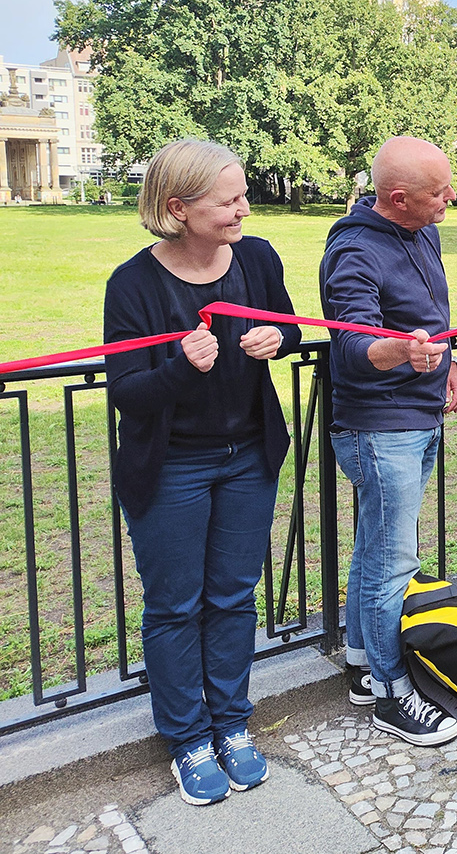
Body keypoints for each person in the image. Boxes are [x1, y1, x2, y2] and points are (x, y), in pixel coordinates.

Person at [104, 140, 301, 805]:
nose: (244, 208)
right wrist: (181, 368)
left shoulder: (258, 258)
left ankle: (232, 725)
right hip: (172, 469)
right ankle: (188, 738)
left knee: (234, 597)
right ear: (178, 208)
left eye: (243, 195)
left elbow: (289, 326)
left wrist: (279, 338)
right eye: (229, 200)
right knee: (174, 606)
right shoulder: (132, 284)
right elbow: (127, 392)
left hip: (248, 460)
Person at [322, 136, 457, 746]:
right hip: (380, 429)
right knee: (392, 564)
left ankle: (361, 661)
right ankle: (390, 693)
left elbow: (432, 316)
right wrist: (402, 351)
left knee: (375, 551)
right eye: (438, 192)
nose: (451, 196)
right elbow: (354, 346)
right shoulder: (354, 251)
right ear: (398, 198)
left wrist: (445, 362)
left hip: (418, 414)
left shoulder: (423, 231)